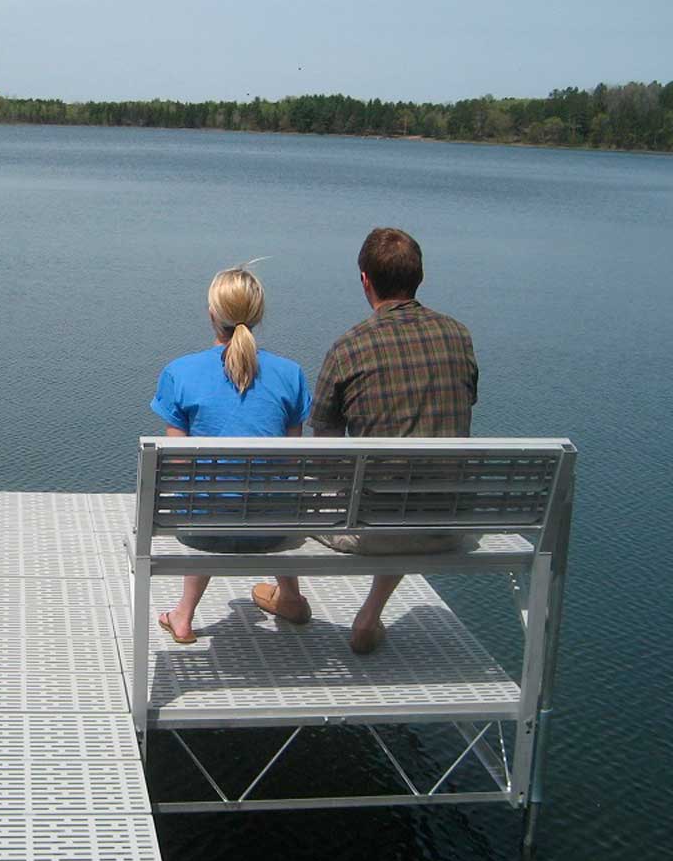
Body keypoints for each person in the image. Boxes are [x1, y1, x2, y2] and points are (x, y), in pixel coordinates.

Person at [308, 227, 478, 653]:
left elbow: (325, 449)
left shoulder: (349, 348)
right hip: (447, 525)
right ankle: (370, 614)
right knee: (412, 473)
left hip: (371, 530)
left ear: (365, 281)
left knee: (297, 495)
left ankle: (285, 595)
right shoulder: (459, 337)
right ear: (419, 277)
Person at [150, 266, 312, 644]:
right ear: (258, 314)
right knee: (269, 495)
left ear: (212, 313)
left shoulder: (180, 373)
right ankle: (289, 594)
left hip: (203, 532)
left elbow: (176, 466)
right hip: (274, 533)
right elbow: (290, 465)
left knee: (206, 496)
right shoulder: (291, 375)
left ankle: (183, 617)